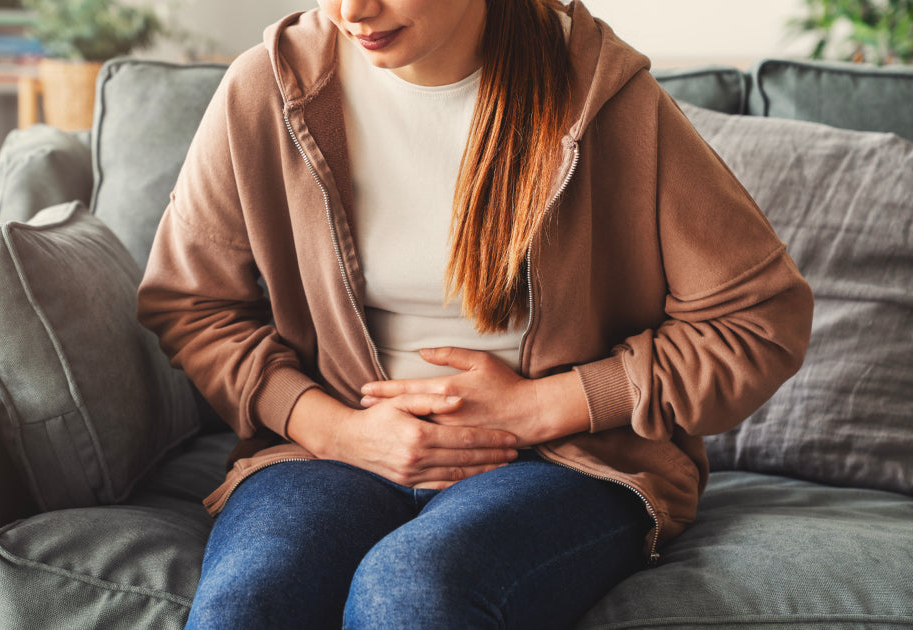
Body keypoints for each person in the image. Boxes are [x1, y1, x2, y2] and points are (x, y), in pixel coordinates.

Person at [137, 0, 813, 627]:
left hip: (564, 462)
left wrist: (542, 406)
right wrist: (336, 430)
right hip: (328, 451)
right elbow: (191, 305)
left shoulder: (602, 95)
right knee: (251, 601)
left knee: (414, 586)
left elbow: (759, 320)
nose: (352, 11)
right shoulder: (270, 88)